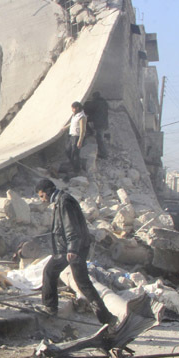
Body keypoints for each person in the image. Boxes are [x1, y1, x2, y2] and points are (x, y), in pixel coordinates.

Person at [35, 178, 116, 325]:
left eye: (41, 196)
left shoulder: (64, 202)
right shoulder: (61, 200)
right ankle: (107, 319)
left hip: (71, 249)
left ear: (48, 192)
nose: (42, 200)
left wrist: (72, 248)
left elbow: (71, 226)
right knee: (70, 278)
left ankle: (107, 318)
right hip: (70, 248)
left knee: (71, 279)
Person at [83, 92, 109, 159]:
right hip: (103, 122)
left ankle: (104, 154)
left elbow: (90, 109)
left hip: (99, 123)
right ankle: (103, 152)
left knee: (100, 139)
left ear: (94, 96)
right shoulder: (103, 102)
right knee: (100, 137)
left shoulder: (96, 102)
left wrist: (83, 106)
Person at [64, 102, 87, 174]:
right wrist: (65, 127)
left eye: (73, 108)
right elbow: (72, 123)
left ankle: (77, 170)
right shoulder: (75, 115)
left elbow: (83, 130)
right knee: (68, 150)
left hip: (77, 137)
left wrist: (80, 140)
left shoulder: (82, 117)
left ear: (77, 108)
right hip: (72, 136)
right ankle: (73, 165)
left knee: (75, 154)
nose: (72, 110)